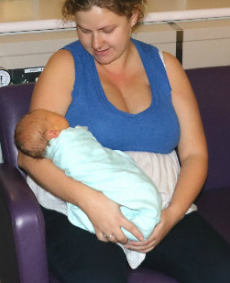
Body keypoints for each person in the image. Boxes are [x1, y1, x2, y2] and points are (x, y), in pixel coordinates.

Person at [17, 0, 230, 283]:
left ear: (133, 17)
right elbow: (30, 156)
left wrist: (170, 217)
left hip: (158, 200)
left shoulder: (166, 68)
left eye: (107, 29)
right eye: (84, 30)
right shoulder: (65, 65)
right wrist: (90, 201)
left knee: (228, 276)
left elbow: (195, 156)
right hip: (79, 207)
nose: (96, 42)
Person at [15, 108, 161, 268]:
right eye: (55, 116)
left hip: (166, 199)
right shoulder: (68, 144)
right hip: (85, 198)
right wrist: (89, 200)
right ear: (53, 133)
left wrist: (174, 212)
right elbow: (26, 158)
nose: (60, 114)